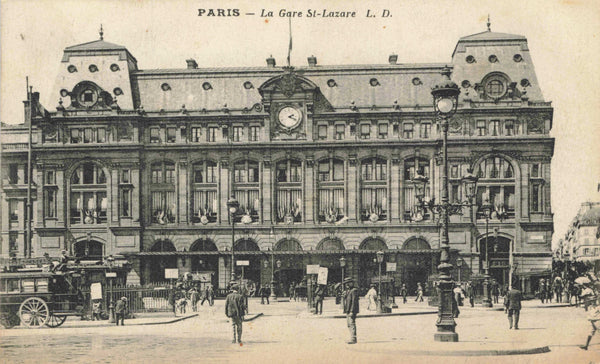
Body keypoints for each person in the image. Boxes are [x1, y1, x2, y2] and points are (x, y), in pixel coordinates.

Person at [343, 277, 359, 344]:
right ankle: (352, 337)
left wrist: (352, 311)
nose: (346, 285)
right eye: (346, 284)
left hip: (351, 310)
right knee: (349, 324)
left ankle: (353, 339)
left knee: (351, 324)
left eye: (348, 283)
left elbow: (354, 302)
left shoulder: (354, 290)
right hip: (348, 310)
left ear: (351, 283)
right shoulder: (348, 291)